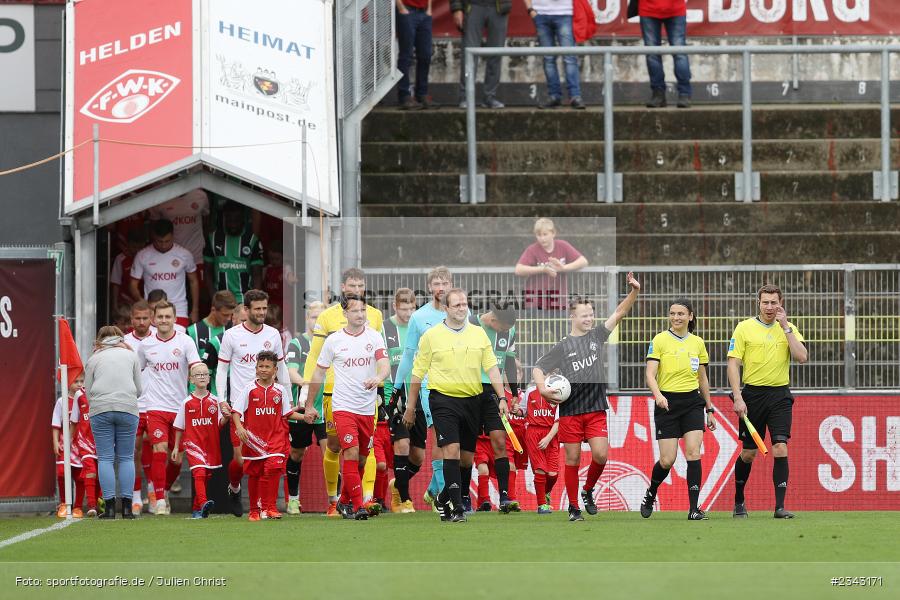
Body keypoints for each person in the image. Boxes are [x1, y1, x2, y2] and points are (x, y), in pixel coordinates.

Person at [533, 273, 640, 522]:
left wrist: (634, 292)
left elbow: (619, 313)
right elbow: (538, 368)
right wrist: (542, 388)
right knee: (572, 459)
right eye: (585, 314)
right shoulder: (562, 346)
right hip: (570, 411)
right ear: (573, 317)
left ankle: (588, 489)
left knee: (601, 455)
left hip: (595, 408)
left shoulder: (597, 336)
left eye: (591, 313)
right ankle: (573, 507)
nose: (590, 318)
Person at [404, 288, 510, 523]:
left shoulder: (478, 334)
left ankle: (443, 497)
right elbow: (417, 375)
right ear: (446, 308)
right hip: (442, 400)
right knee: (450, 450)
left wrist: (502, 398)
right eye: (457, 305)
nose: (462, 308)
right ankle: (457, 508)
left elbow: (492, 368)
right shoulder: (431, 336)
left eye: (465, 304)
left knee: (466, 460)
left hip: (472, 402)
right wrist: (410, 408)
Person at [302, 268, 385, 518]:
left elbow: (383, 361)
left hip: (367, 400)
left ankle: (351, 498)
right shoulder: (328, 320)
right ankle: (340, 500)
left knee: (361, 455)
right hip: (335, 396)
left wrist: (380, 380)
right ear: (343, 287)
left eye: (361, 285)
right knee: (338, 446)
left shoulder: (375, 320)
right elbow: (316, 359)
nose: (357, 290)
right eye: (352, 285)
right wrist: (307, 395)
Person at [728, 284, 807, 519]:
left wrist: (786, 328)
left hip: (780, 396)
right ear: (758, 303)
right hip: (752, 396)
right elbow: (733, 363)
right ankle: (739, 500)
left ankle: (779, 507)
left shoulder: (789, 329)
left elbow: (802, 357)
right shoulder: (744, 328)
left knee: (780, 447)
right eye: (766, 302)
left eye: (774, 302)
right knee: (749, 453)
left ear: (780, 303)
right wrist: (738, 397)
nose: (770, 307)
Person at [215, 289, 291, 517]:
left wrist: (289, 397)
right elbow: (222, 369)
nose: (261, 313)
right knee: (239, 461)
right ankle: (235, 487)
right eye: (257, 309)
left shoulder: (273, 334)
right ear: (246, 310)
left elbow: (283, 368)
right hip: (242, 409)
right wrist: (221, 400)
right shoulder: (232, 335)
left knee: (267, 459)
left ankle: (262, 507)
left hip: (268, 408)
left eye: (264, 308)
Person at [640, 298, 716, 521]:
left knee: (693, 452)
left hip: (692, 403)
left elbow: (702, 379)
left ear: (690, 316)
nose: (676, 318)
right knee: (667, 460)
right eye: (672, 313)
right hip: (667, 404)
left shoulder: (697, 343)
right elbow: (650, 374)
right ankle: (651, 492)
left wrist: (709, 408)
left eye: (681, 314)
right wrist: (659, 396)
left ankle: (694, 509)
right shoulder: (660, 340)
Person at [391, 267, 454, 512]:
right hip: (431, 386)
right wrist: (397, 388)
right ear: (430, 288)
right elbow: (408, 355)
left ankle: (433, 490)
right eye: (436, 283)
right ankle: (444, 498)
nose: (440, 287)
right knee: (441, 438)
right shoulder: (419, 317)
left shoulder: (462, 312)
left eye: (444, 282)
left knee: (457, 441)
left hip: (458, 385)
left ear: (450, 285)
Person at [136, 302, 201, 515]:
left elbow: (197, 367)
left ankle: (163, 489)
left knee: (177, 459)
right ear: (154, 319)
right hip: (154, 406)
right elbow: (136, 371)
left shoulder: (185, 341)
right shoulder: (146, 345)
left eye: (168, 316)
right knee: (159, 449)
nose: (164, 320)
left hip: (180, 408)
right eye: (160, 316)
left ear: (174, 318)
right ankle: (160, 500)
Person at [232, 351, 302, 521]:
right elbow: (236, 411)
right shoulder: (249, 390)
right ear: (256, 369)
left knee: (273, 469)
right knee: (255, 474)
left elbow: (287, 414)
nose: (263, 369)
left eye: (267, 367)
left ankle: (269, 508)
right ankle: (255, 510)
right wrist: (240, 427)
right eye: (260, 366)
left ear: (275, 370)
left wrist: (304, 417)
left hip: (276, 439)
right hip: (254, 440)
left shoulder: (280, 390)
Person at [84, 325, 143, 519]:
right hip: (127, 407)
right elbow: (139, 389)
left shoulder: (93, 359)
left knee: (105, 458)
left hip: (100, 409)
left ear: (100, 339)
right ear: (120, 338)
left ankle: (109, 509)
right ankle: (127, 508)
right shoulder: (131, 355)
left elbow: (88, 390)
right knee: (126, 457)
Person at [467, 301, 521, 512]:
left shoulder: (510, 330)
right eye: (503, 328)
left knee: (499, 440)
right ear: (493, 320)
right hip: (468, 390)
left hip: (493, 393)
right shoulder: (471, 325)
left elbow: (508, 362)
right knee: (466, 446)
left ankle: (505, 497)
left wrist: (514, 393)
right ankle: (462, 496)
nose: (505, 332)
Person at [284, 301, 327, 515]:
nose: (317, 321)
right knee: (297, 453)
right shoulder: (297, 343)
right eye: (313, 317)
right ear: (307, 319)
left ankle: (335, 500)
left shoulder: (333, 341)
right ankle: (293, 499)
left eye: (321, 317)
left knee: (331, 451)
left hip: (326, 406)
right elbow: (291, 371)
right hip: (301, 408)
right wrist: (306, 385)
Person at [172, 363, 229, 519]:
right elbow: (179, 427)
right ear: (191, 380)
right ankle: (204, 502)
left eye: (205, 374)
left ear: (209, 378)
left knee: (206, 476)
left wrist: (226, 417)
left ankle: (198, 509)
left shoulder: (216, 401)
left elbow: (219, 425)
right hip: (193, 445)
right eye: (198, 375)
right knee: (199, 473)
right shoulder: (186, 402)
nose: (202, 377)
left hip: (210, 445)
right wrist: (176, 447)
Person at [382, 288, 419, 513]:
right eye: (403, 309)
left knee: (419, 455)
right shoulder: (384, 329)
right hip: (394, 396)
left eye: (411, 308)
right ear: (395, 307)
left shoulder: (420, 327)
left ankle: (398, 484)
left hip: (418, 396)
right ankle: (404, 500)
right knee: (402, 445)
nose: (407, 313)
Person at [130, 219, 200, 328]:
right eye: (159, 241)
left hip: (178, 310)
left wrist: (195, 309)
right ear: (153, 236)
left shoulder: (184, 254)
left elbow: (193, 281)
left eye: (167, 241)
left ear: (173, 236)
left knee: (177, 342)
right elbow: (133, 284)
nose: (163, 245)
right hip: (153, 311)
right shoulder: (142, 255)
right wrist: (143, 303)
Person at [123, 300, 155, 515]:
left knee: (155, 451)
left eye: (145, 318)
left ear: (151, 318)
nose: (142, 322)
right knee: (133, 451)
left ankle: (155, 493)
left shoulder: (159, 338)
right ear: (131, 319)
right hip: (132, 405)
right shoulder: (124, 343)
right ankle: (135, 497)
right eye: (138, 318)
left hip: (156, 404)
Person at [523, 0, 585, 109]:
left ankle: (575, 96)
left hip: (565, 13)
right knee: (548, 58)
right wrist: (530, 9)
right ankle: (554, 96)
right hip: (541, 14)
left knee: (569, 57)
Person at [452, 0, 510, 109]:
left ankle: (490, 97)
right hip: (473, 6)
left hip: (499, 7)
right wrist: (457, 9)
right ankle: (465, 97)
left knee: (496, 54)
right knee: (469, 55)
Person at [203, 201, 264, 304]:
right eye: (229, 220)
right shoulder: (213, 239)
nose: (233, 224)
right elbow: (207, 272)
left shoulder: (252, 240)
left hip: (244, 301)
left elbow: (257, 275)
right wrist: (213, 296)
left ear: (243, 220)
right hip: (221, 302)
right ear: (224, 219)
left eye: (236, 220)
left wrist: (254, 301)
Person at [640, 0, 691, 108]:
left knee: (679, 53)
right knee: (652, 54)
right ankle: (658, 93)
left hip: (675, 9)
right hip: (648, 9)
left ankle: (684, 93)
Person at [148, 189, 210, 275]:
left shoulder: (201, 196)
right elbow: (154, 227)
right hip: (169, 257)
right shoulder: (160, 198)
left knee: (197, 286)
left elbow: (206, 220)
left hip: (196, 256)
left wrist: (203, 243)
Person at [187, 290, 236, 395]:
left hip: (229, 394)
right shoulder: (193, 331)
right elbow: (188, 367)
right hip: (200, 394)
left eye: (231, 315)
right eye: (225, 314)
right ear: (213, 310)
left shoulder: (232, 330)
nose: (229, 318)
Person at [51, 373, 85, 518]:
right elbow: (56, 424)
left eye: (81, 381)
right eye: (75, 381)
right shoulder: (61, 401)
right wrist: (55, 442)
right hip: (66, 443)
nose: (79, 384)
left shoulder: (85, 400)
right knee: (62, 473)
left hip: (81, 443)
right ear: (67, 383)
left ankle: (78, 506)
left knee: (80, 476)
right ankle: (64, 503)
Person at [524, 381, 559, 514]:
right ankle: (542, 505)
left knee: (553, 474)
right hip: (534, 433)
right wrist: (518, 411)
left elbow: (559, 420)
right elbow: (523, 411)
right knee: (540, 469)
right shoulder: (530, 392)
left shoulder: (559, 392)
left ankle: (546, 493)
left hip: (551, 435)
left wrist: (548, 438)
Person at [397, 0, 435, 110]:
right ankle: (404, 95)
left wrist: (429, 9)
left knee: (426, 55)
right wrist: (401, 7)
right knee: (406, 55)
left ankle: (422, 93)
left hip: (424, 11)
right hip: (407, 9)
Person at [110, 227, 146, 315]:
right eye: (134, 247)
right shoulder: (120, 259)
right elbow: (116, 283)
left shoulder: (149, 258)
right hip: (125, 301)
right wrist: (114, 305)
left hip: (144, 300)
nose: (137, 250)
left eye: (140, 247)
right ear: (128, 244)